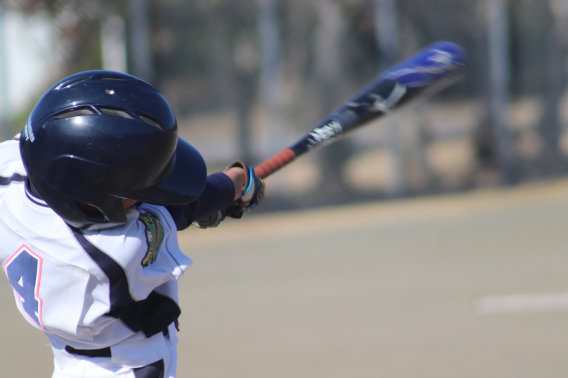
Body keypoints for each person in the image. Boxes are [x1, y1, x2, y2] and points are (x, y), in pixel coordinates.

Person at [0, 70, 265, 378]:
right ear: (89, 200)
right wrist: (238, 184)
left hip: (69, 360)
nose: (142, 197)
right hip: (129, 365)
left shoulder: (13, 171)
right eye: (134, 191)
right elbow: (186, 207)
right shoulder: (112, 254)